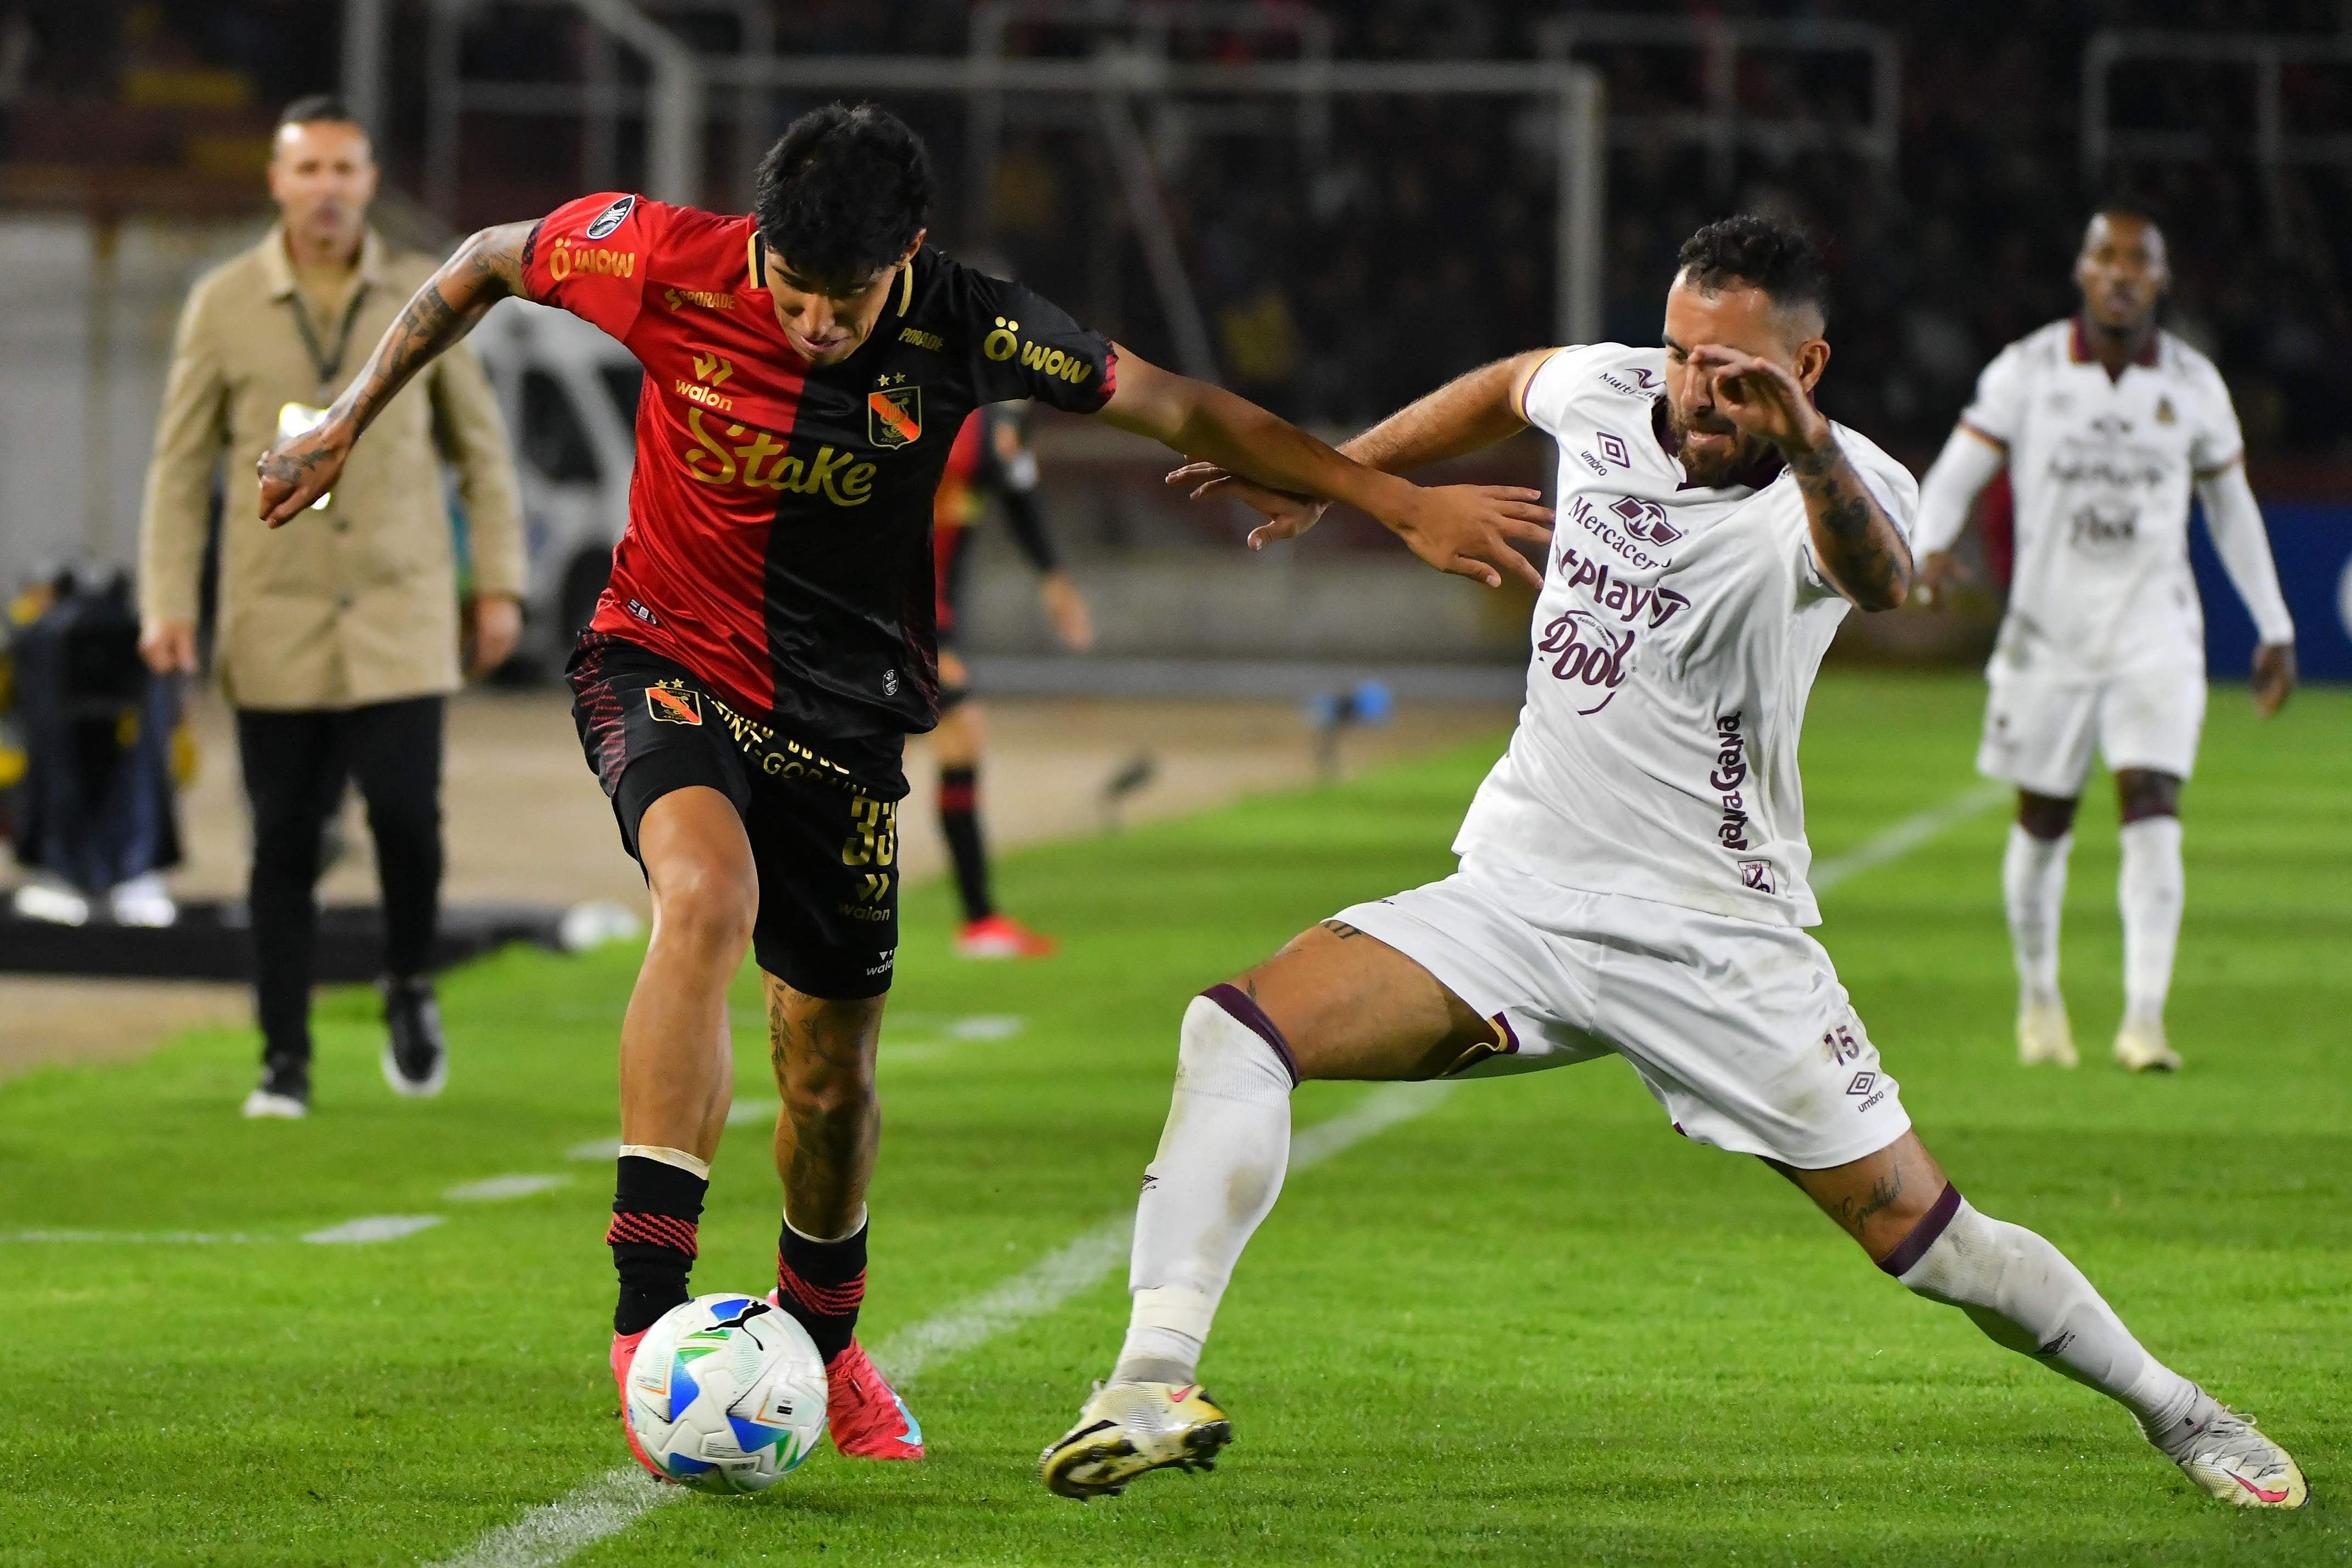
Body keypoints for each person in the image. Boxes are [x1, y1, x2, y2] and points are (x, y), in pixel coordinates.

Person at [252, 103, 1548, 1473]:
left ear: (911, 255)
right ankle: (649, 1318)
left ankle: (826, 1333)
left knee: (827, 1069)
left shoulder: (971, 322)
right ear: (757, 243)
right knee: (701, 891)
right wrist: (345, 422)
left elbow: (1180, 403)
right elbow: (483, 259)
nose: (815, 325)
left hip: (849, 718)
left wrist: (1386, 498)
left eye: (847, 301)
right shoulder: (652, 256)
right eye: (794, 295)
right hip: (662, 654)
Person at [1037, 216, 2307, 1510]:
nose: (1698, 388)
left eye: (1738, 371)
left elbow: (1875, 581)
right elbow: (1504, 383)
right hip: (1517, 895)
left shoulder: (1850, 479)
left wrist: (1807, 449)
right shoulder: (1611, 388)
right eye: (1685, 355)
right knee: (1235, 1027)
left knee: (1927, 1241)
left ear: (1807, 370)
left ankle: (2181, 1409)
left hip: (1714, 935)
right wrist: (1346, 473)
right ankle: (1150, 1376)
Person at [137, 94, 525, 1120]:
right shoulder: (222, 303)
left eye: (344, 170)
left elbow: (480, 456)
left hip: (398, 613)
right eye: (306, 170)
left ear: (369, 181)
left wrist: (498, 582)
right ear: (276, 181)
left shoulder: (430, 292)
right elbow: (180, 468)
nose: (326, 190)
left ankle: (407, 977)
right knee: (284, 840)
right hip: (275, 614)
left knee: (405, 818)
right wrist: (168, 598)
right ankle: (284, 1061)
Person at [1912, 208, 2295, 1074]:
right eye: (2105, 257)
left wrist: (2273, 625)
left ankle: (2143, 1019)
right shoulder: (2028, 370)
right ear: (2081, 271)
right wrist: (1927, 546)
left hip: (2153, 631)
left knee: (2152, 806)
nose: (2121, 273)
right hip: (2045, 634)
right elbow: (1955, 472)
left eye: (2138, 261)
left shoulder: (2194, 384)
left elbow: (2230, 510)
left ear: (2159, 279)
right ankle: (2039, 996)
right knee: (2042, 818)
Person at [930, 397, 1092, 958]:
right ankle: (975, 919)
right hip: (888, 613)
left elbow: (1021, 495)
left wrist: (1055, 580)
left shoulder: (996, 427)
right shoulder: (939, 414)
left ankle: (978, 920)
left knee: (957, 737)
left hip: (917, 617)